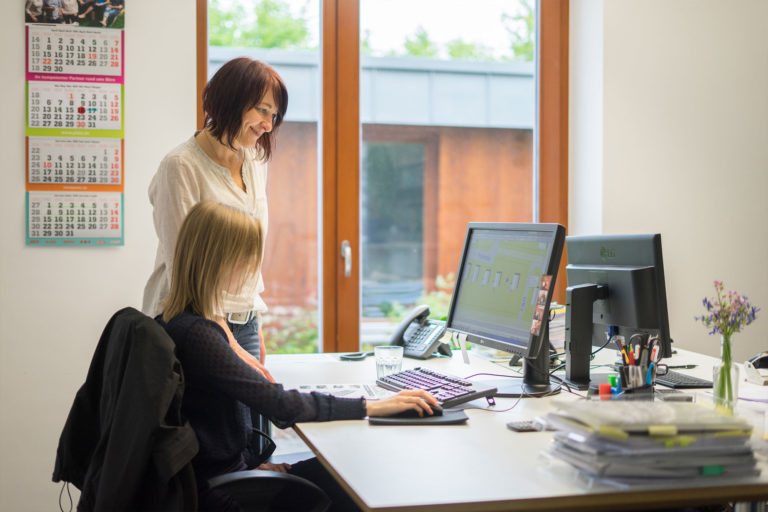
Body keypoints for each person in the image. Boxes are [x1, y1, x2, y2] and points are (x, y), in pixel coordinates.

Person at [157, 201, 439, 511]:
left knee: (344, 468)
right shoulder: (198, 334)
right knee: (359, 478)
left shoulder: (177, 320)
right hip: (221, 494)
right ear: (222, 261)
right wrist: (373, 405)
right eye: (247, 258)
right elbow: (279, 405)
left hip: (226, 475)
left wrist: (248, 464)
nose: (251, 268)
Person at [143, 57, 285, 377]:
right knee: (210, 425)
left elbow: (249, 252)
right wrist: (231, 348)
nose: (268, 124)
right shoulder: (180, 166)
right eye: (262, 110)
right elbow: (186, 268)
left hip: (243, 318)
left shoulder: (254, 161)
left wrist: (253, 323)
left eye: (273, 114)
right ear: (231, 100)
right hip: (191, 322)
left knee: (250, 425)